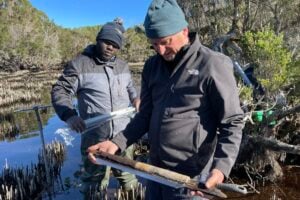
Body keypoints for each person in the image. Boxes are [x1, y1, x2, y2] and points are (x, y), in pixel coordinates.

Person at [88, 0, 245, 199]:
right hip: (155, 171)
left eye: (165, 42)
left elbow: (232, 122)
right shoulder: (151, 66)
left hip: (192, 178)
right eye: (154, 44)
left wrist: (220, 169)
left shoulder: (213, 64)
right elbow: (145, 115)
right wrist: (115, 143)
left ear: (184, 32)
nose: (160, 51)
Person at [51, 18, 139, 197]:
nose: (110, 47)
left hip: (123, 135)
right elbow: (60, 90)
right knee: (94, 184)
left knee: (129, 179)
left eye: (115, 44)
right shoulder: (80, 64)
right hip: (95, 137)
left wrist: (137, 98)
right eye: (107, 42)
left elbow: (132, 88)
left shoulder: (123, 66)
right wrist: (69, 115)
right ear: (98, 39)